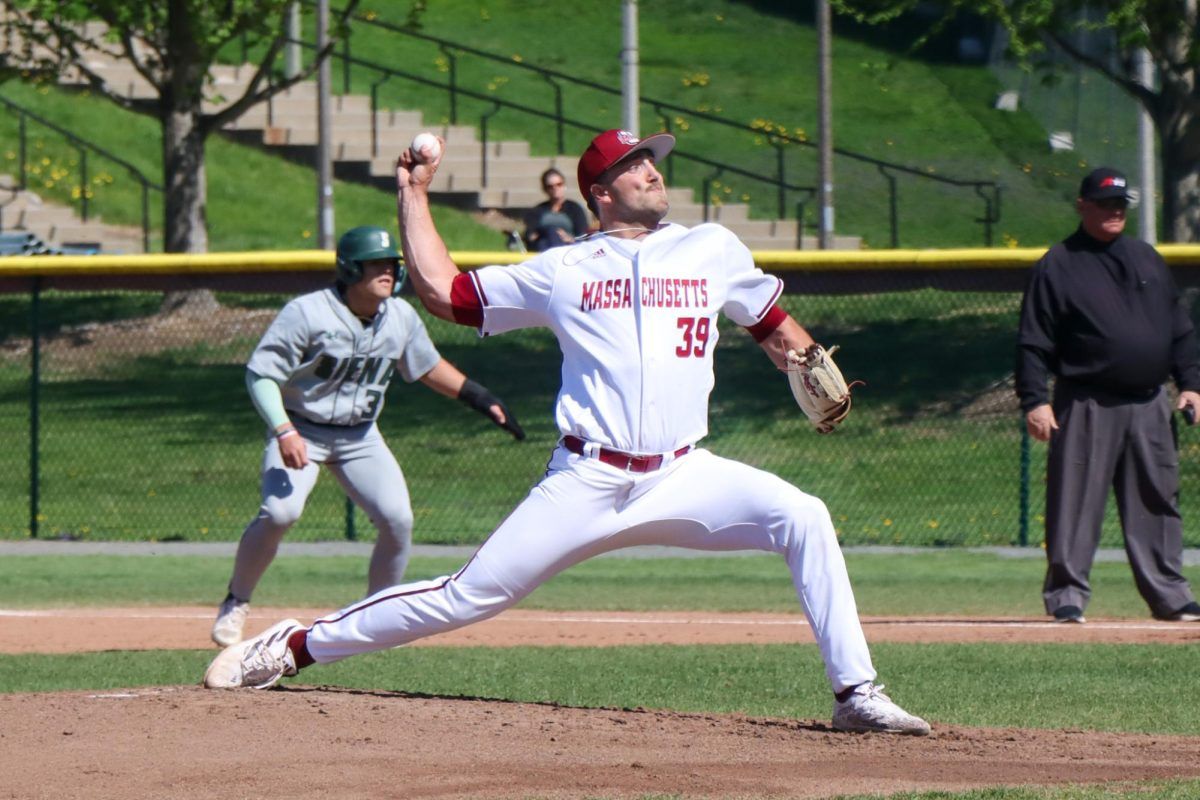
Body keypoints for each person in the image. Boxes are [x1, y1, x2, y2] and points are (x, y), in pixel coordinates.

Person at [203, 130, 931, 736]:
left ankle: (856, 695)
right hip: (586, 479)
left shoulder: (712, 248)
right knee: (466, 596)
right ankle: (293, 646)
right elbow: (447, 294)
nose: (652, 169)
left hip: (682, 472)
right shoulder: (564, 269)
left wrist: (804, 362)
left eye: (653, 160)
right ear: (601, 193)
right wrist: (413, 193)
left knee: (804, 516)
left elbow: (772, 326)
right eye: (633, 165)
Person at [210, 224, 526, 647]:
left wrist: (479, 397)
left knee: (398, 521)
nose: (389, 272)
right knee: (280, 514)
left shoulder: (400, 316)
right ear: (349, 268)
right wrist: (283, 429)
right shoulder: (307, 313)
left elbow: (428, 367)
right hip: (302, 427)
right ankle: (237, 600)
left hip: (360, 437)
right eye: (376, 264)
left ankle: (377, 617)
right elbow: (261, 375)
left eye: (392, 265)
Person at [1016, 167, 1200, 625]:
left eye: (1120, 203)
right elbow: (1033, 340)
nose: (1114, 210)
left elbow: (1179, 330)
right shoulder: (1058, 264)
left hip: (1150, 402)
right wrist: (1035, 400)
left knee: (1158, 499)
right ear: (1083, 206)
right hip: (1086, 402)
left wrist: (1192, 383)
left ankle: (1170, 596)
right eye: (1104, 203)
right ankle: (1067, 596)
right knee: (1074, 501)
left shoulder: (1146, 258)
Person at [522, 166, 591, 251]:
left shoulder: (575, 209)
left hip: (568, 250)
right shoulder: (537, 211)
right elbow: (530, 235)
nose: (555, 188)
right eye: (550, 186)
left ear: (564, 185)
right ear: (545, 189)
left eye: (559, 184)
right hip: (543, 250)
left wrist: (569, 238)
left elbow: (582, 235)